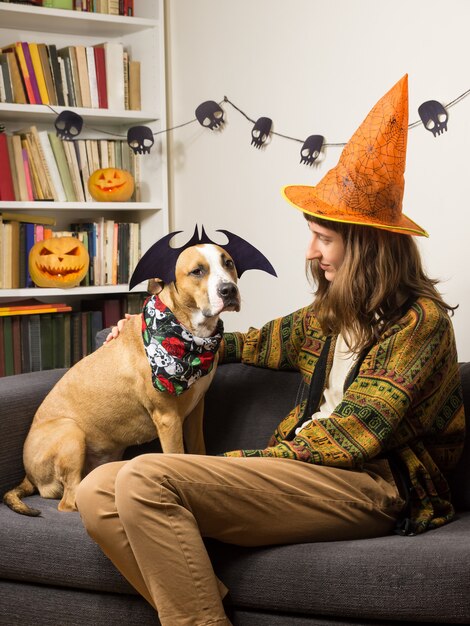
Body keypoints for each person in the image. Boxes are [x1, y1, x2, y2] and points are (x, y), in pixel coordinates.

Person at [75, 75, 465, 626]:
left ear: (368, 246)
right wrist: (157, 329)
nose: (310, 251)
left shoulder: (417, 324)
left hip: (373, 485)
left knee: (144, 477)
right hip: (313, 475)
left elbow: (352, 435)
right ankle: (209, 608)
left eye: (323, 239)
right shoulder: (331, 316)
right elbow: (246, 341)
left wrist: (238, 464)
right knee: (96, 491)